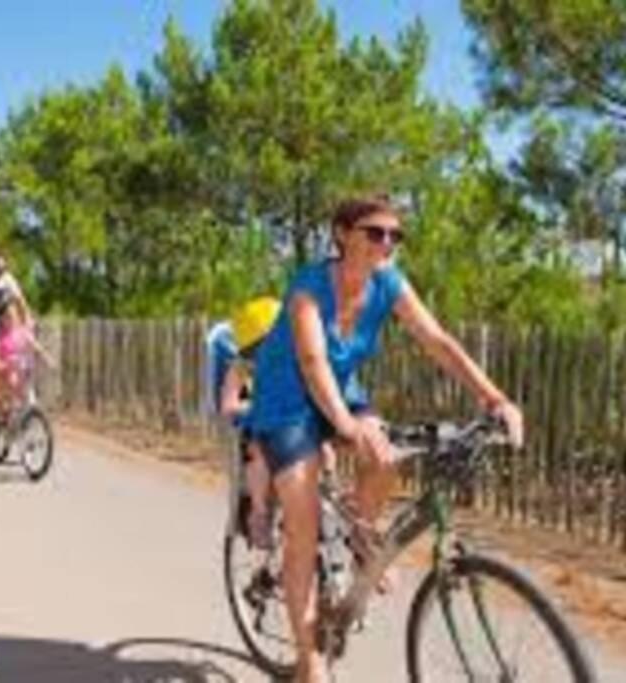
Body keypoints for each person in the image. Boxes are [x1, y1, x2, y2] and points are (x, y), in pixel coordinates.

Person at [248, 193, 525, 683]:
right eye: (375, 232)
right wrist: (345, 423)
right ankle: (309, 659)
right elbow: (312, 363)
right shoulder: (309, 286)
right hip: (287, 398)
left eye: (396, 235)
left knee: (386, 455)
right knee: (303, 522)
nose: (388, 242)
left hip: (342, 388)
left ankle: (361, 536)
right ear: (341, 234)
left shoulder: (388, 283)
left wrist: (495, 399)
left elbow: (438, 341)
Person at [212, 297, 281, 549]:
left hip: (293, 427)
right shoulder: (240, 370)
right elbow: (228, 406)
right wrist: (253, 406)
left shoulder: (293, 363)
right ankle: (259, 515)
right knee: (260, 455)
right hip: (258, 431)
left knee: (325, 449)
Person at [0, 289, 55, 417]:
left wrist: (47, 358)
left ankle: (24, 415)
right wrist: (0, 364)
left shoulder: (22, 331)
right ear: (0, 320)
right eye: (6, 316)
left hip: (24, 372)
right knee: (10, 386)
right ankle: (7, 413)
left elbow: (35, 346)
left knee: (27, 398)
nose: (10, 318)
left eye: (13, 313)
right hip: (8, 373)